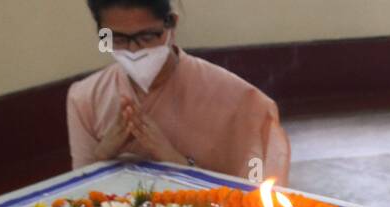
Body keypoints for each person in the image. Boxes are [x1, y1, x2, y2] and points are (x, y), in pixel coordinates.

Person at [67, 0, 290, 183]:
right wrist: (104, 154)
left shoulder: (237, 99)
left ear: (171, 25)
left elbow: (254, 197)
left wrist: (174, 159)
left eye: (147, 37)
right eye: (119, 38)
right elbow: (77, 193)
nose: (133, 50)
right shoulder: (85, 98)